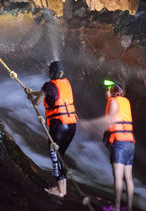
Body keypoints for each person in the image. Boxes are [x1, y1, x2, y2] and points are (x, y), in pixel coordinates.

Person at [26, 61, 78, 198]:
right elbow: (51, 93)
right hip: (71, 125)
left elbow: (37, 102)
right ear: (61, 73)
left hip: (59, 125)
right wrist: (34, 92)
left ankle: (60, 191)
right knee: (60, 155)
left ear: (50, 73)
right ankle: (62, 188)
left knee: (55, 155)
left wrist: (31, 97)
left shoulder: (48, 85)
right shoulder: (66, 83)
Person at [87, 81, 135, 211]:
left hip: (119, 143)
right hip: (130, 142)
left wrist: (89, 125)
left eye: (109, 89)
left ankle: (117, 207)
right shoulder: (126, 102)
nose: (106, 91)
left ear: (114, 92)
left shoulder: (114, 101)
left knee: (118, 177)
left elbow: (111, 119)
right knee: (128, 178)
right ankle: (129, 208)